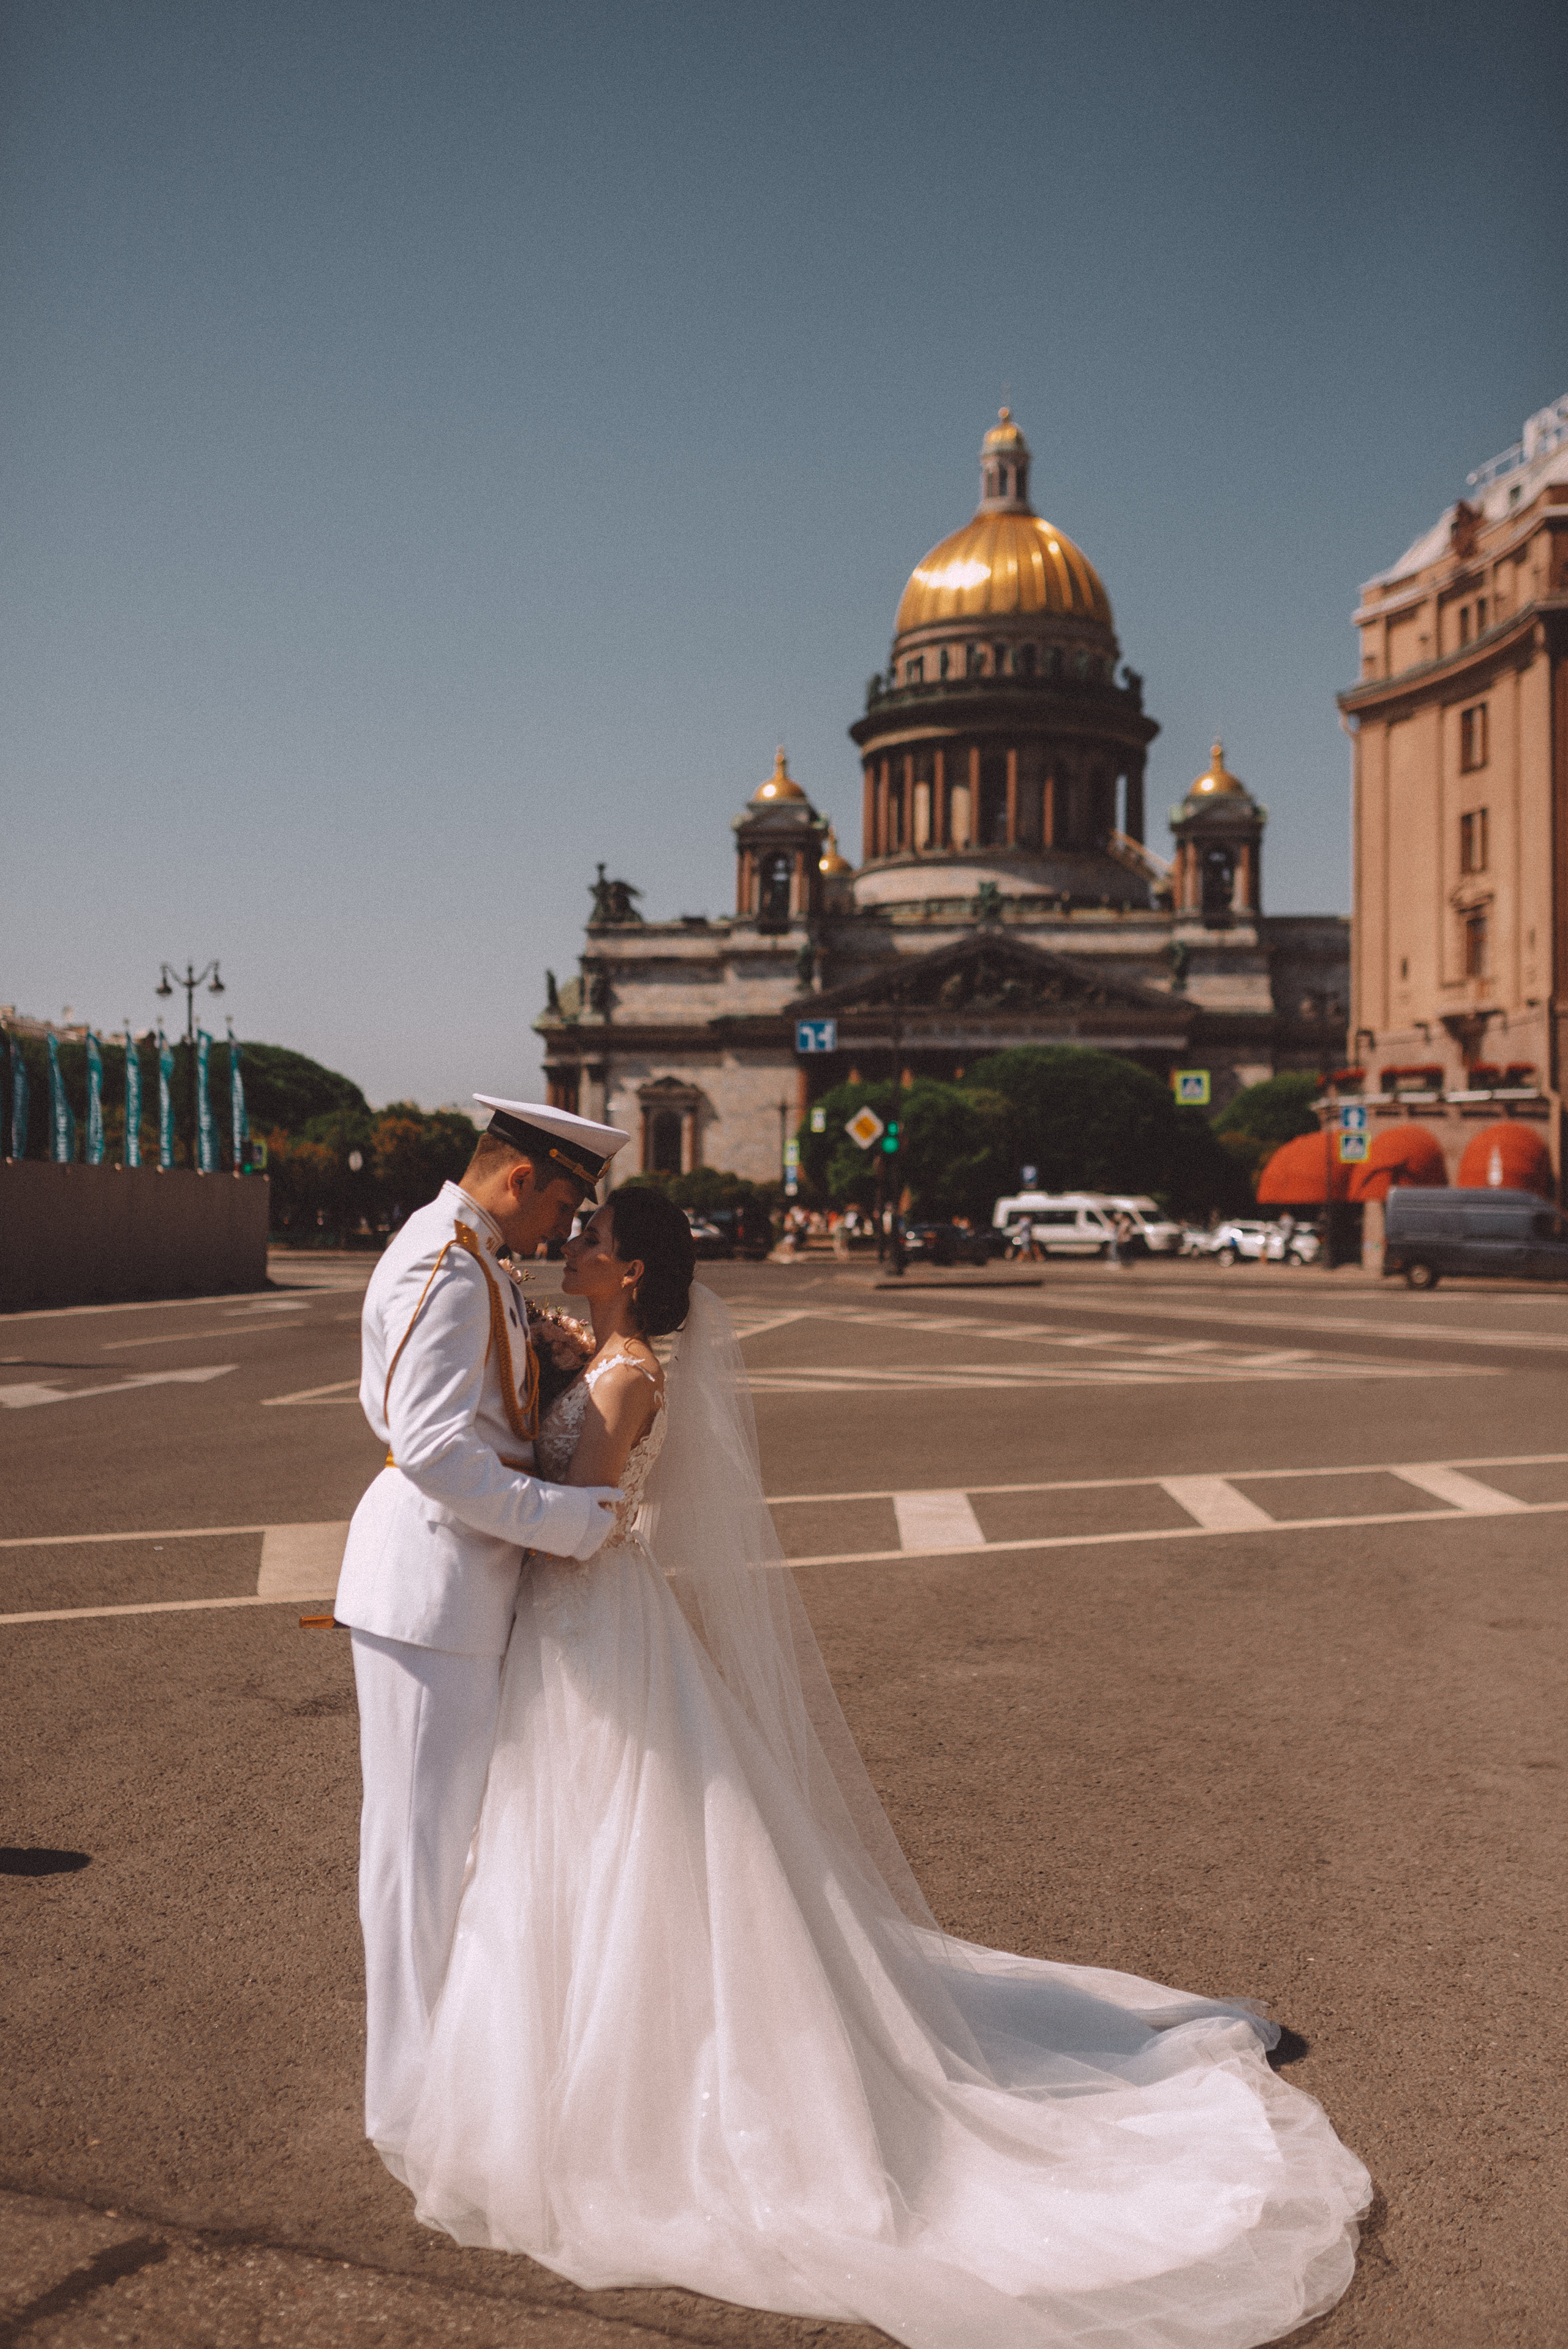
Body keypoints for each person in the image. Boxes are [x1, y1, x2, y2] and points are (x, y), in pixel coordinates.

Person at [381, 1186, 1371, 2348]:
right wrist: (556, 1367)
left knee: (616, 1842)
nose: (572, 1244)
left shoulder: (628, 1373)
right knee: (584, 1843)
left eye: (592, 1238)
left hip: (589, 1618)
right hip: (579, 1628)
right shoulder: (605, 1358)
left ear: (632, 1270)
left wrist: (492, 1466)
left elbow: (579, 1514)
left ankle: (605, 2090)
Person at [334, 1097, 629, 2155]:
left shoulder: (476, 1256)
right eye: (565, 1204)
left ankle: (437, 2077)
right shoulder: (445, 1262)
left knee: (446, 1842)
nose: (564, 1228)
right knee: (416, 1851)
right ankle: (406, 2101)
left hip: (460, 1582)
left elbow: (480, 1417)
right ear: (520, 1178)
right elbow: (430, 1448)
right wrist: (570, 1521)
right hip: (429, 1584)